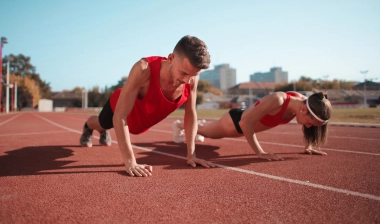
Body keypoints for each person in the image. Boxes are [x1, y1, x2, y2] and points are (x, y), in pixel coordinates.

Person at [79, 35, 216, 177]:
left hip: (141, 123)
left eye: (193, 75)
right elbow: (120, 116)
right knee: (102, 123)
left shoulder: (191, 78)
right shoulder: (144, 69)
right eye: (183, 73)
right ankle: (89, 127)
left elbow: (190, 114)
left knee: (118, 127)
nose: (187, 81)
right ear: (170, 59)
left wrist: (191, 155)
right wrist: (130, 162)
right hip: (121, 108)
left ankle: (102, 130)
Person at [172, 91, 332, 161]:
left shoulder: (303, 103)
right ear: (304, 110)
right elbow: (245, 123)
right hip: (235, 122)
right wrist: (260, 153)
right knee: (207, 134)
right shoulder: (278, 100)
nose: (310, 127)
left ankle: (197, 126)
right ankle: (179, 126)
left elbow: (310, 123)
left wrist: (309, 146)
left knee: (206, 133)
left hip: (245, 126)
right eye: (311, 123)